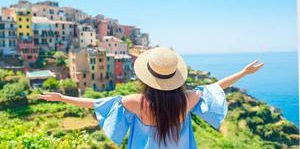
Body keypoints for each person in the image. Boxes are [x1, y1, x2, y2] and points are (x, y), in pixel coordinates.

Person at [39, 47, 264, 149]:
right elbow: (216, 87)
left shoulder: (135, 102)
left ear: (146, 78)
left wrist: (62, 98)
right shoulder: (188, 99)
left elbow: (95, 104)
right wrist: (244, 73)